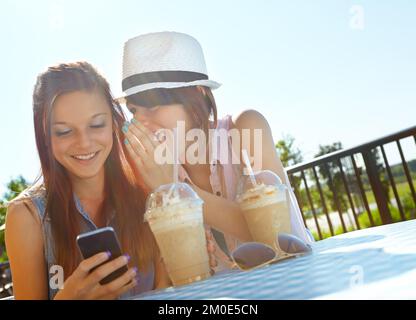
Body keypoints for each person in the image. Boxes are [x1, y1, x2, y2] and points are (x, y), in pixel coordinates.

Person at [118, 31, 315, 272]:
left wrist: (178, 192)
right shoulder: (150, 169)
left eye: (154, 105)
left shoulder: (246, 128)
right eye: (135, 110)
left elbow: (284, 240)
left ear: (198, 93)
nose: (141, 122)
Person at [4, 61, 173, 299]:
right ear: (44, 136)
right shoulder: (27, 217)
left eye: (96, 125)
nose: (84, 143)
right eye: (64, 131)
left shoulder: (148, 197)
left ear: (114, 123)